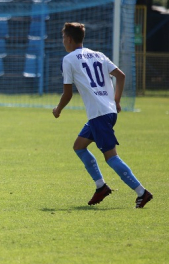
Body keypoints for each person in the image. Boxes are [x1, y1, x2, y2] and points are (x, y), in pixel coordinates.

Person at [53, 22, 152, 208]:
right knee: (79, 146)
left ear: (68, 39)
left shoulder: (68, 59)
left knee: (111, 157)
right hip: (106, 112)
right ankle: (101, 187)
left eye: (63, 38)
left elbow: (67, 94)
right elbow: (120, 76)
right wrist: (116, 100)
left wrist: (58, 109)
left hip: (99, 115)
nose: (63, 41)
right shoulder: (98, 54)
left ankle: (142, 192)